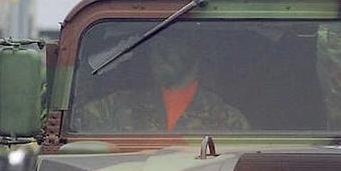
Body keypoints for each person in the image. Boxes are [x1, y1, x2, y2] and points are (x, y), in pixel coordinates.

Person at [73, 33, 249, 133]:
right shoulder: (113, 107)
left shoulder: (227, 118)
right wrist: (87, 69)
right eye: (156, 43)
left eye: (173, 41)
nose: (160, 50)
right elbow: (70, 133)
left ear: (196, 51)